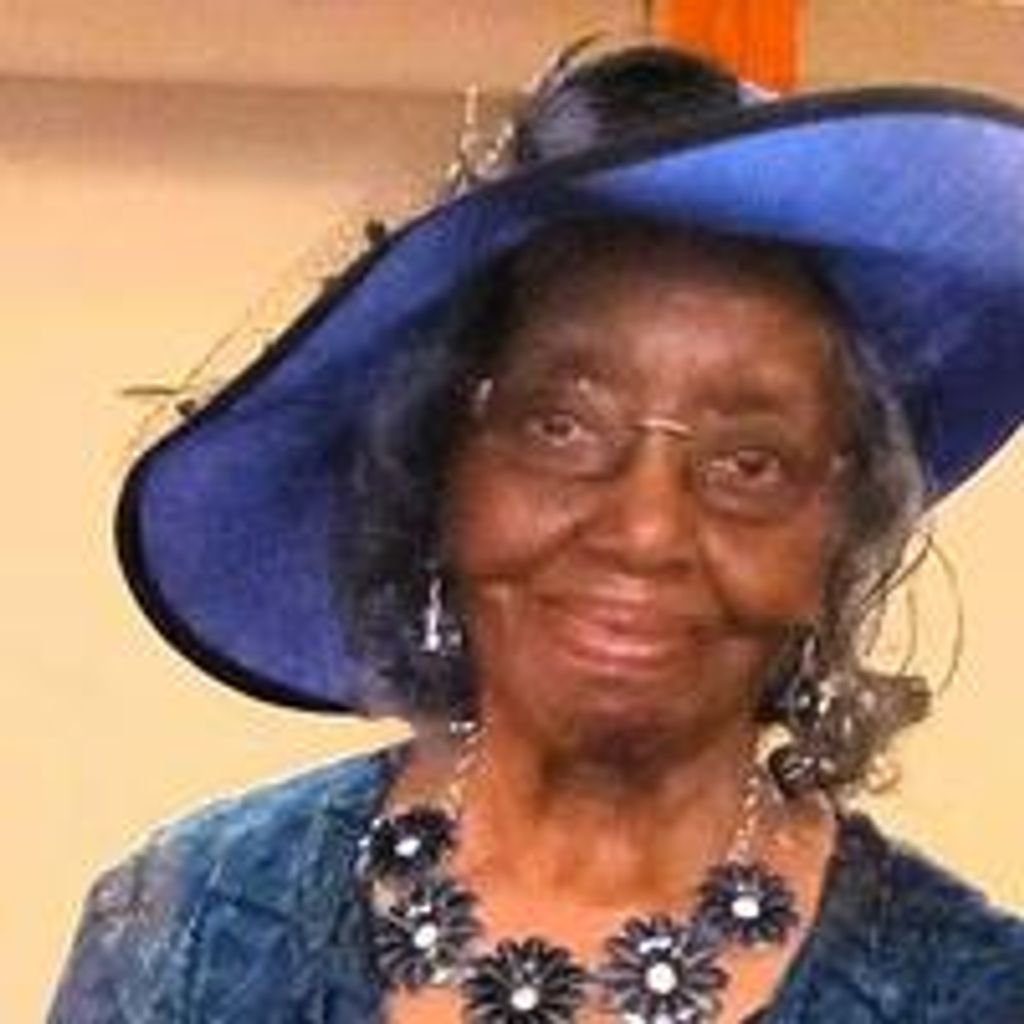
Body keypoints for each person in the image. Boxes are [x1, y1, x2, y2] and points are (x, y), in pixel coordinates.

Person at [51, 42, 1024, 1024]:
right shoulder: (187, 935)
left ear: (838, 529)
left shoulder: (973, 995)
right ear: (440, 469)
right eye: (560, 427)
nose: (646, 531)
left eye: (749, 462)